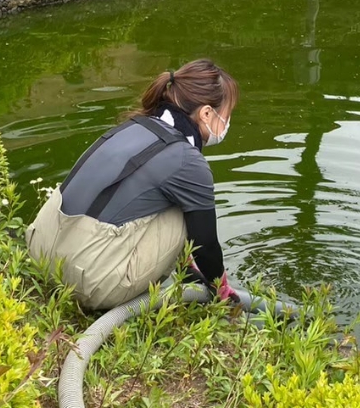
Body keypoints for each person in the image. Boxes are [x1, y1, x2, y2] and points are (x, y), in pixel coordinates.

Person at [26, 59, 240, 310]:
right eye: (226, 114)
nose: (226, 123)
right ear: (206, 113)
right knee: (189, 209)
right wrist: (221, 288)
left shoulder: (131, 127)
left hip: (40, 254)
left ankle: (184, 269)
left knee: (169, 196)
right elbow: (205, 245)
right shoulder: (186, 160)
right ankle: (184, 274)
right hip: (88, 282)